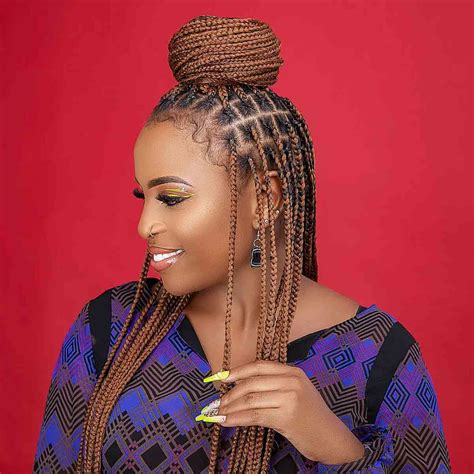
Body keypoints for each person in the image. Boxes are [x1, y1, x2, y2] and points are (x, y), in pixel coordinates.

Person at [33, 15, 451, 473]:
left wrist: (336, 449)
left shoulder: (379, 355)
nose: (145, 225)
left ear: (264, 200)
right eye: (143, 197)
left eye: (171, 198)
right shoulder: (108, 329)